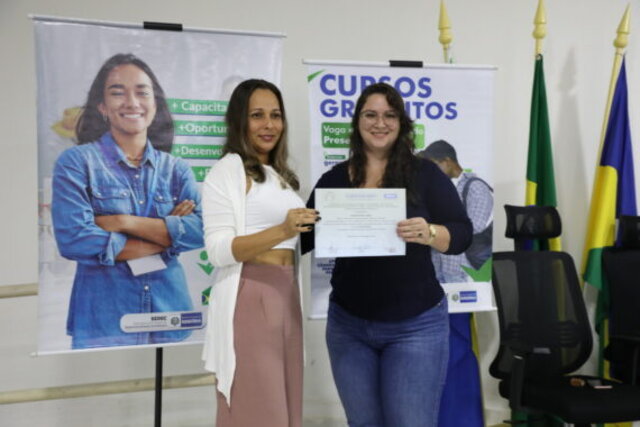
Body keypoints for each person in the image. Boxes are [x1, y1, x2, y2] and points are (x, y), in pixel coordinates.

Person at [301, 83, 473, 427]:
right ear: (357, 122)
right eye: (370, 115)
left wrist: (431, 232)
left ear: (401, 123)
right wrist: (289, 222)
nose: (380, 123)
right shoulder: (335, 179)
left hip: (416, 326)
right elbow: (305, 236)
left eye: (389, 115)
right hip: (348, 326)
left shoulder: (425, 174)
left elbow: (462, 234)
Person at [51, 53, 203, 349]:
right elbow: (74, 239)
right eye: (118, 92)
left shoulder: (176, 169)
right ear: (102, 107)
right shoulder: (77, 162)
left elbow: (202, 230)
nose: (132, 102)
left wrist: (122, 222)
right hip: (105, 322)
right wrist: (168, 237)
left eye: (142, 92)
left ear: (155, 104)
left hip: (170, 315)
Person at [201, 79, 319, 427]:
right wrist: (283, 230)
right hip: (251, 296)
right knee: (258, 407)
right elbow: (218, 250)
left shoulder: (281, 175)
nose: (269, 125)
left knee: (285, 403)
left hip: (286, 293)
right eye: (257, 115)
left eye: (276, 115)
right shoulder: (228, 170)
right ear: (240, 120)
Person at [419, 140, 493, 427]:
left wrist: (433, 226)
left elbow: (470, 231)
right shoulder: (441, 188)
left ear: (448, 161)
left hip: (461, 281)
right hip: (436, 279)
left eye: (434, 166)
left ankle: (461, 420)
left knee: (457, 352)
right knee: (436, 356)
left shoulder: (475, 187)